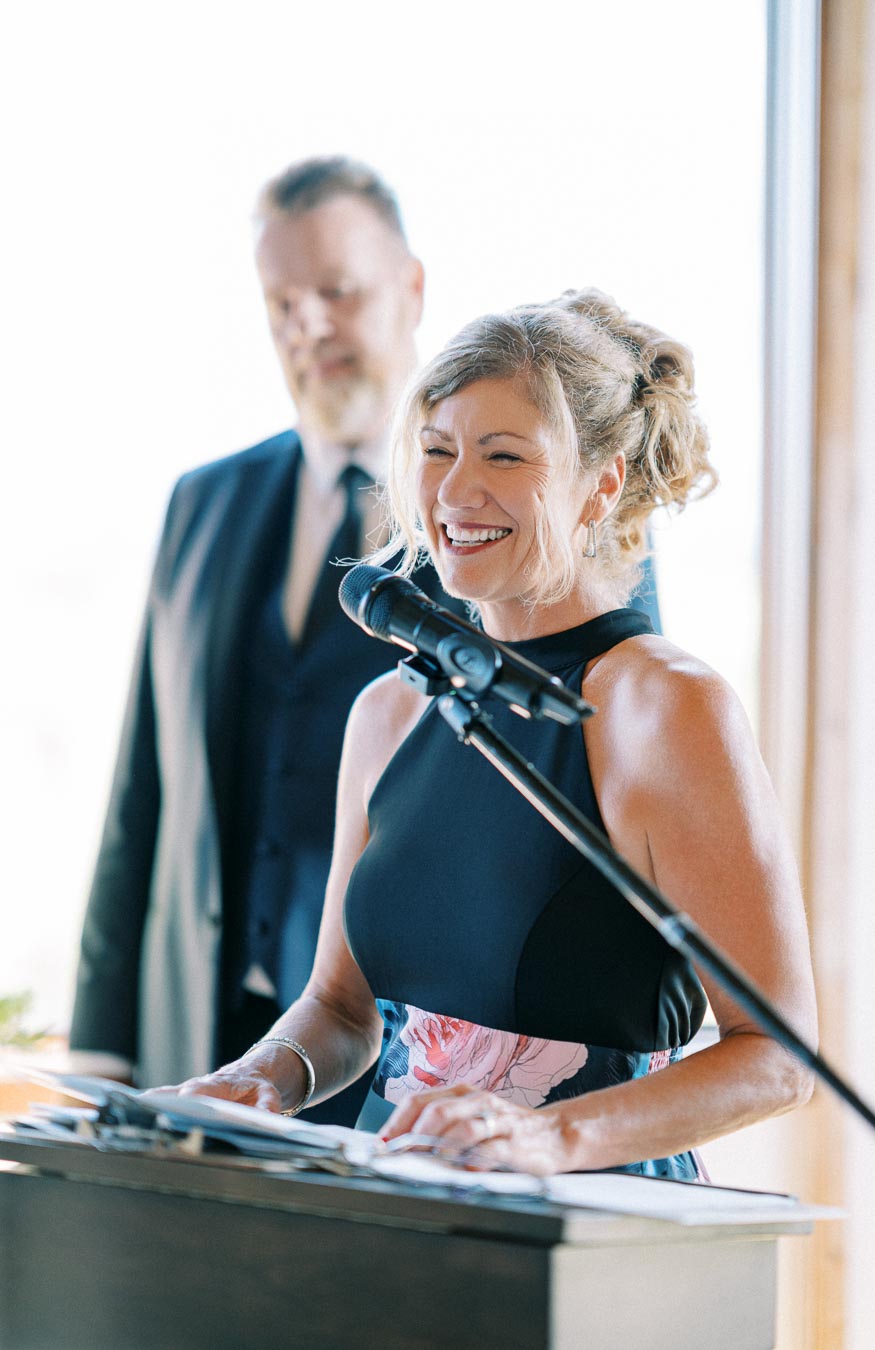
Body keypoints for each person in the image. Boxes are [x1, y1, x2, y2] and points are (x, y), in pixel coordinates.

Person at [163, 288, 818, 1179]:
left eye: (504, 456)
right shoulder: (389, 712)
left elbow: (776, 1059)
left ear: (602, 486)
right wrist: (258, 1076)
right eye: (436, 451)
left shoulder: (665, 707)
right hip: (394, 1213)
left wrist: (552, 1135)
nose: (456, 491)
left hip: (591, 1230)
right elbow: (341, 1010)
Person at [69, 157, 464, 1125]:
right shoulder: (201, 504)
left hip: (395, 1069)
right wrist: (102, 1047)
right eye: (281, 301)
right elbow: (142, 795)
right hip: (191, 1043)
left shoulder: (489, 514)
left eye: (337, 290)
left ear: (411, 287)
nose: (308, 326)